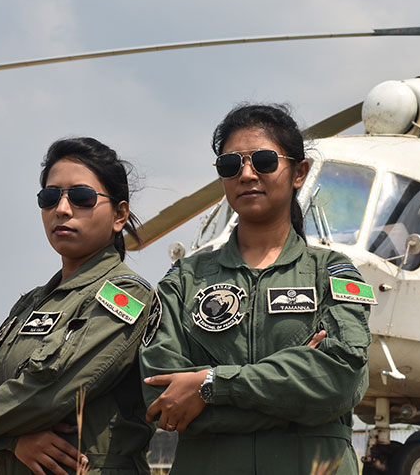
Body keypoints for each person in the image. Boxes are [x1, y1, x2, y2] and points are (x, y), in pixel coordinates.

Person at [139, 103, 372, 474]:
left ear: (300, 172)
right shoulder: (183, 281)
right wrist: (296, 406)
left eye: (263, 161)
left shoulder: (333, 274)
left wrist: (209, 384)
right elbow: (160, 398)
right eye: (231, 165)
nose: (246, 174)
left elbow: (337, 385)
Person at [0, 138, 155, 475]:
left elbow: (47, 397)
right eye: (50, 197)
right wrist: (11, 442)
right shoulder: (31, 304)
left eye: (82, 197)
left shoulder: (125, 295)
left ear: (119, 214)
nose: (62, 209)